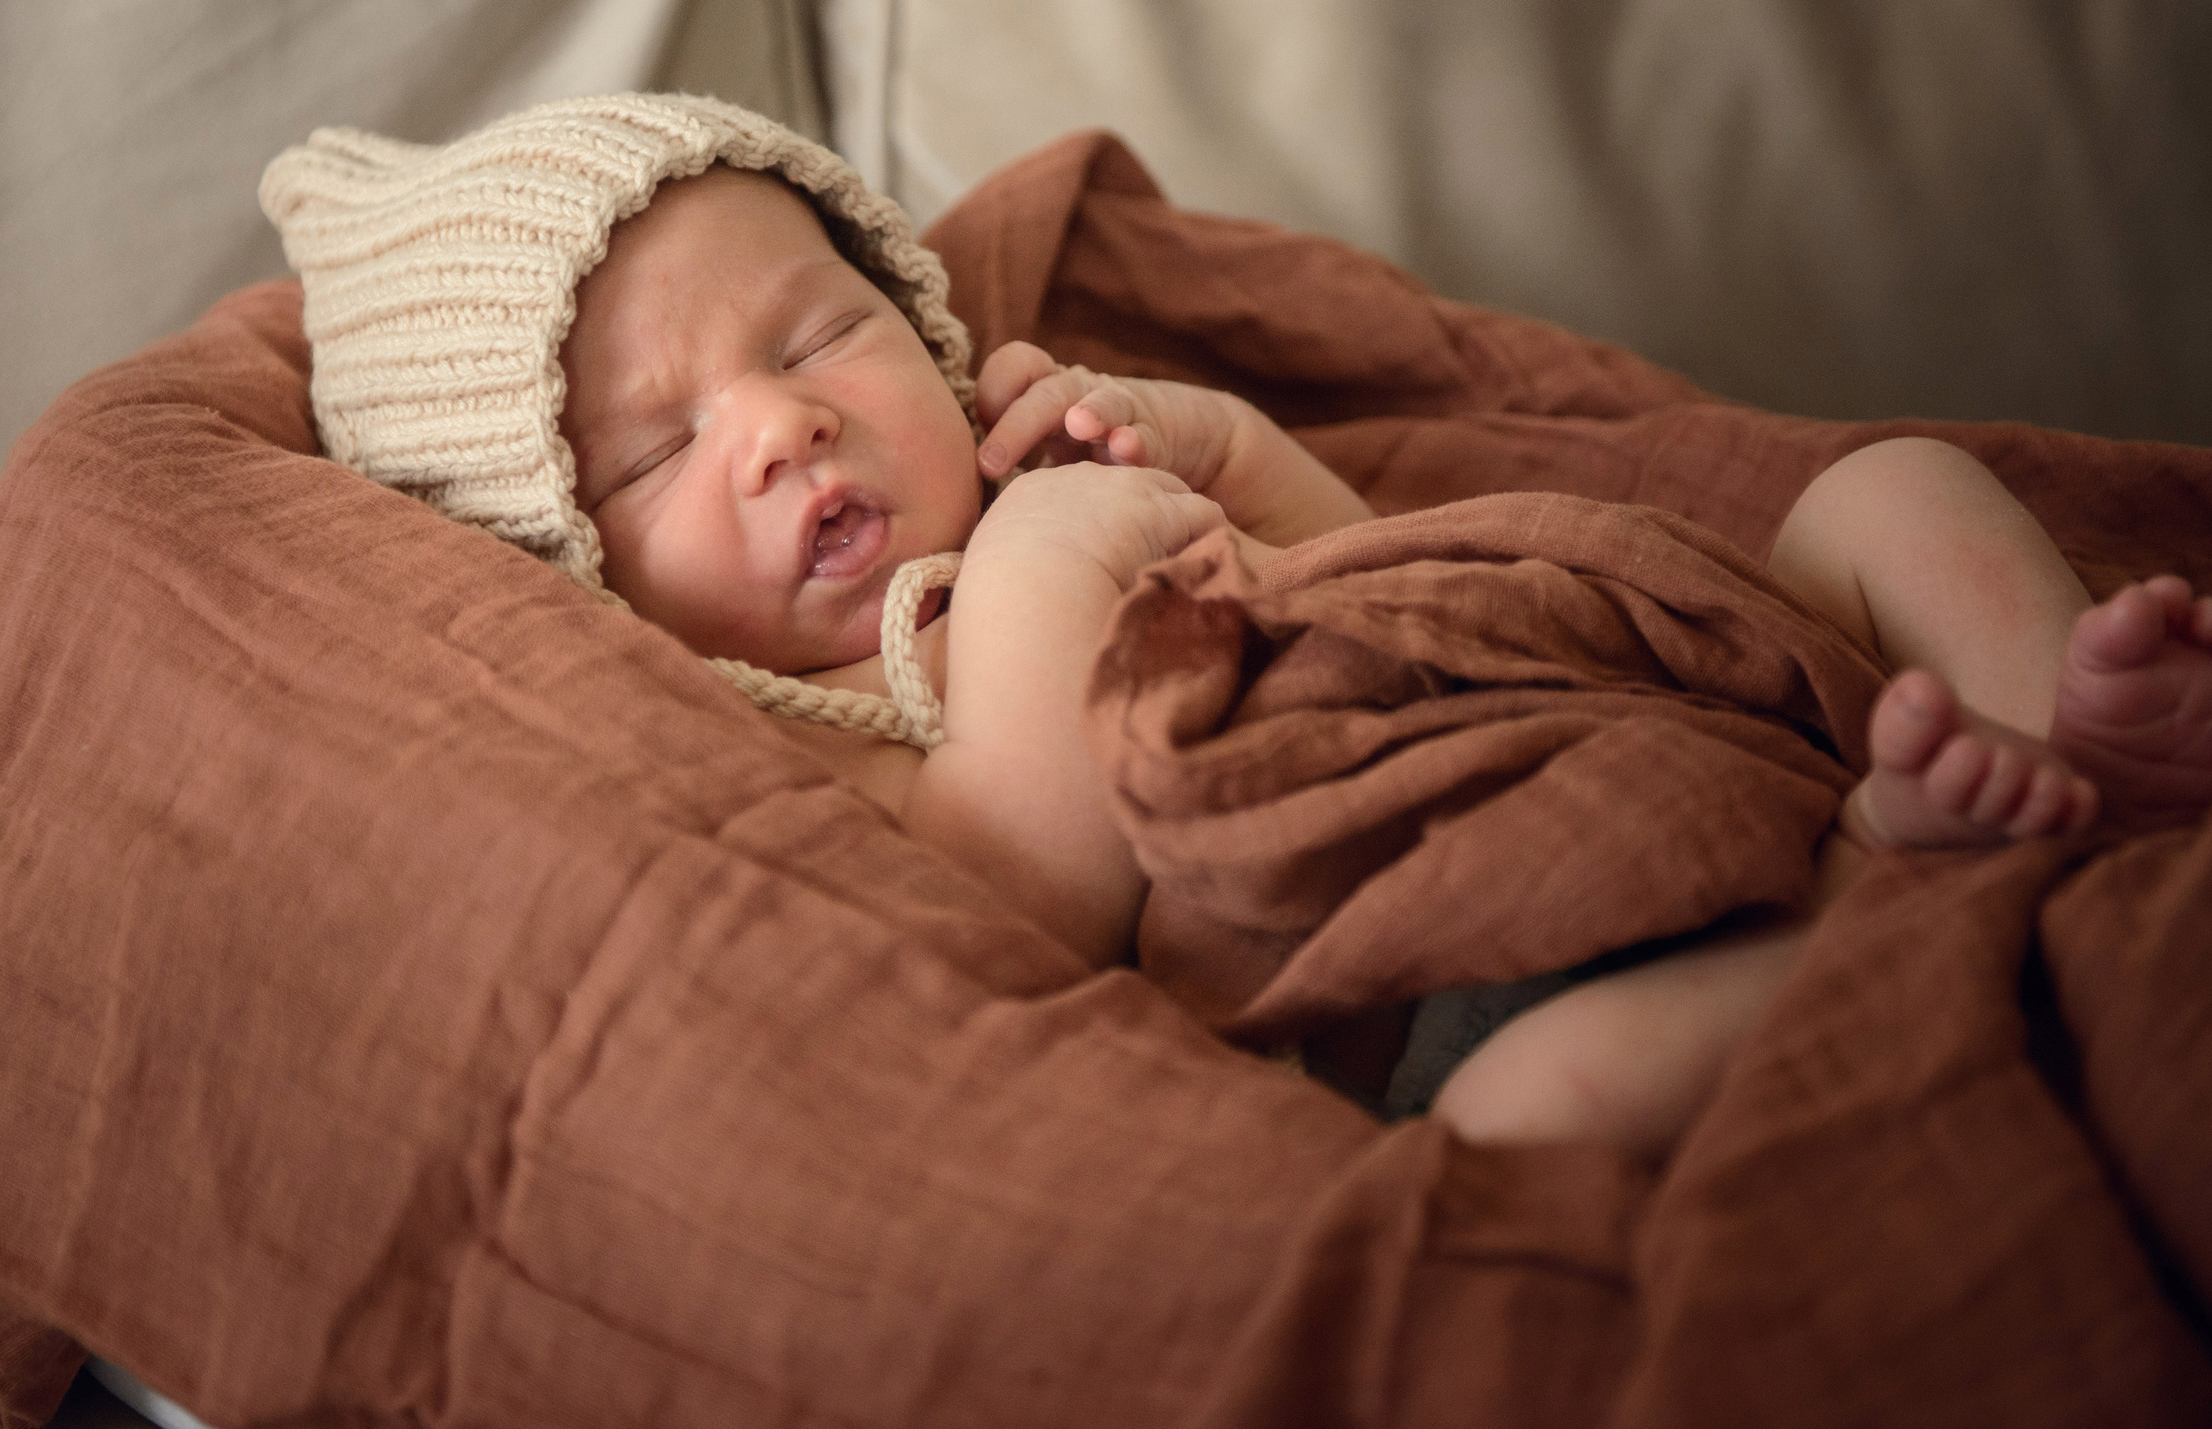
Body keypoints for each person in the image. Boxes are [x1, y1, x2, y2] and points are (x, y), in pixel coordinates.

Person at [266, 93, 2212, 1161]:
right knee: (1535, 1122)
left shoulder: (1069, 481)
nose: (781, 427)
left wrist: (1246, 469)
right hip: (1444, 982)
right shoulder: (793, 731)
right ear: (574, 575)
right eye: (657, 450)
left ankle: (2057, 743)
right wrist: (1042, 587)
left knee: (1888, 493)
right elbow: (1023, 901)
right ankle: (1916, 902)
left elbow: (1412, 606)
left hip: (1612, 725)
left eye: (820, 337)